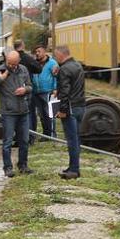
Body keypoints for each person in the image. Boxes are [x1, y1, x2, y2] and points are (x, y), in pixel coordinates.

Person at [0, 49, 32, 177]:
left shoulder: (23, 70)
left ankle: (23, 165)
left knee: (24, 141)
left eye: (14, 64)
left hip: (23, 111)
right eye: (10, 63)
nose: (12, 66)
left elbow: (30, 86)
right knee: (8, 142)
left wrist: (25, 89)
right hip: (8, 112)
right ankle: (8, 167)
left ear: (19, 61)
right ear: (6, 60)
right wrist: (0, 79)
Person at [54, 45, 86, 179]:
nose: (55, 58)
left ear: (61, 55)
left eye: (56, 56)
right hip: (80, 107)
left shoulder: (64, 69)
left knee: (72, 140)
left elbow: (66, 92)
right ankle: (73, 166)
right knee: (76, 139)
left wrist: (62, 110)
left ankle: (74, 169)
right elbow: (74, 86)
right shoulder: (78, 65)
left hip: (70, 108)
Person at [31, 44, 58, 138]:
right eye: (36, 52)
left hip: (48, 92)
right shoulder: (34, 63)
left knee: (50, 114)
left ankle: (52, 134)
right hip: (36, 92)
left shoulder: (52, 63)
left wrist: (55, 88)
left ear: (45, 52)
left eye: (39, 51)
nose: (37, 54)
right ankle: (45, 134)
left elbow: (57, 76)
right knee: (41, 115)